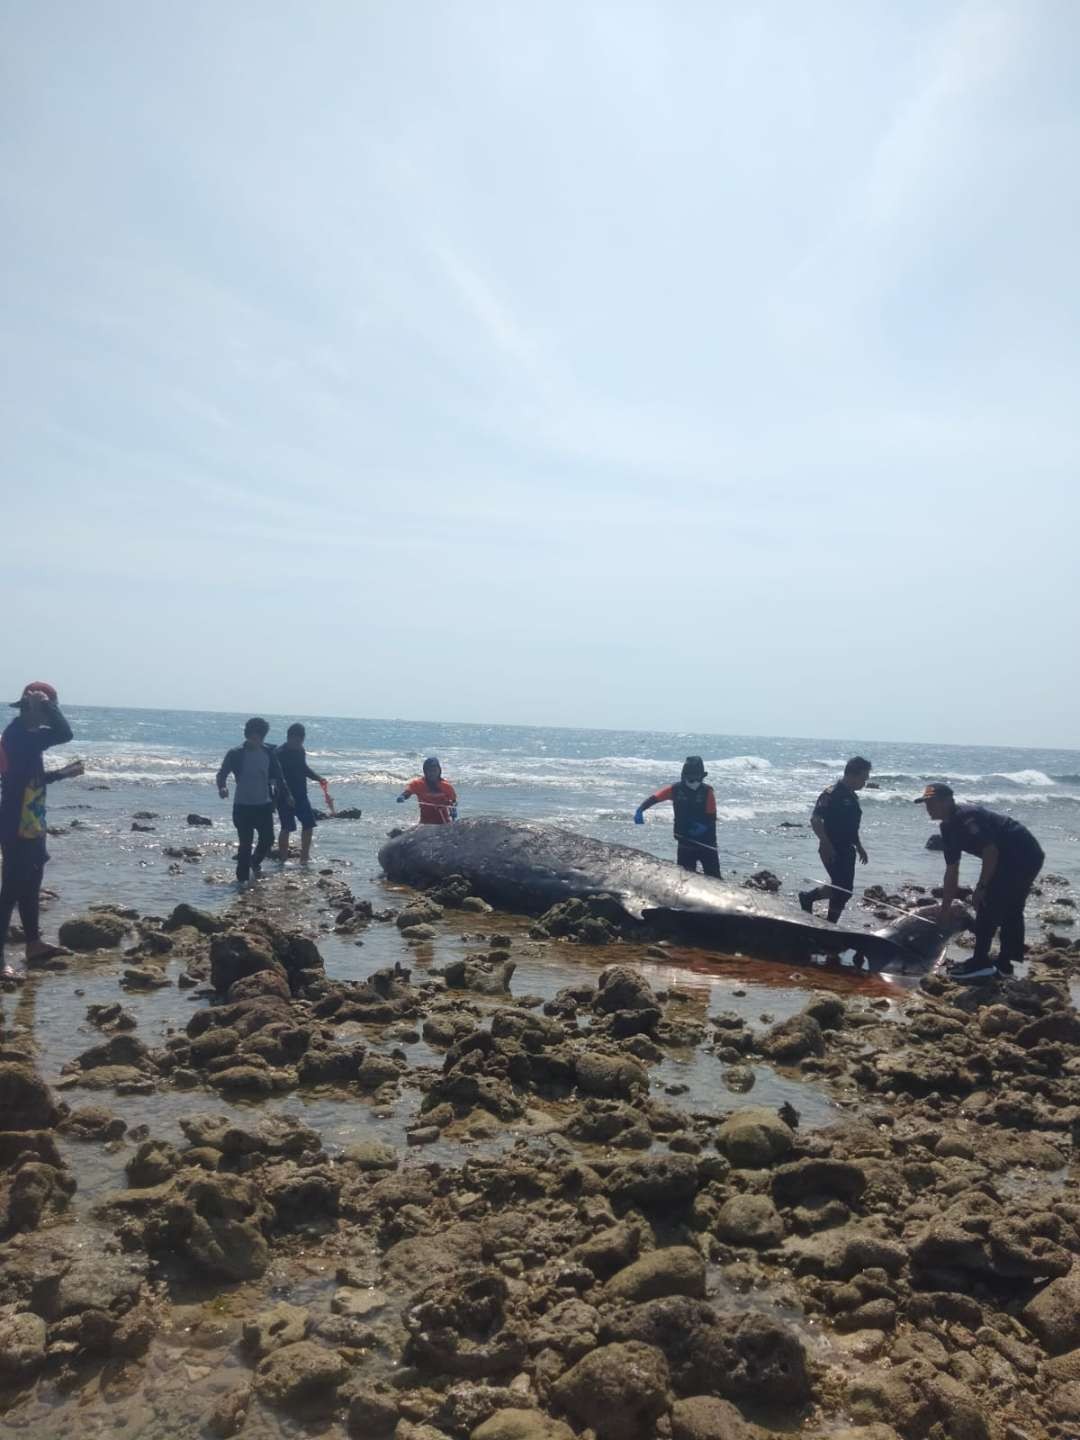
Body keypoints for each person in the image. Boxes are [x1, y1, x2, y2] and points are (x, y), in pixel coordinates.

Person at [916, 782, 1044, 982]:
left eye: (933, 803)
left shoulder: (967, 817)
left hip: (1023, 854)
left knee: (990, 902)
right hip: (1006, 858)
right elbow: (952, 870)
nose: (929, 808)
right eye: (926, 804)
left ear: (948, 801)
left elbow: (990, 851)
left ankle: (982, 963)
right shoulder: (947, 827)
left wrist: (981, 887)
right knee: (1007, 906)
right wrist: (945, 908)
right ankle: (1004, 966)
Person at [0, 683, 75, 979]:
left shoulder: (29, 737)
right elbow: (65, 733)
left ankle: (33, 944)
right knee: (10, 892)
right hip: (15, 821)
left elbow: (29, 778)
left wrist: (60, 774)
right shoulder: (18, 735)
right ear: (31, 708)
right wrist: (46, 706)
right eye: (46, 710)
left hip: (32, 819)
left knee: (31, 883)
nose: (49, 716)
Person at [216, 718, 293, 885]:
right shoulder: (235, 753)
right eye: (253, 736)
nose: (256, 739)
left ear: (263, 737)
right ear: (247, 734)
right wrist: (222, 787)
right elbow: (222, 774)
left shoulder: (268, 753)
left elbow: (279, 777)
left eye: (259, 736)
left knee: (267, 839)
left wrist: (287, 796)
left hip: (263, 805)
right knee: (245, 844)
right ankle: (241, 883)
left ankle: (255, 861)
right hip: (242, 806)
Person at [799, 756, 872, 922]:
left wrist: (859, 846)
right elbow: (815, 819)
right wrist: (825, 843)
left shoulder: (852, 796)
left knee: (844, 890)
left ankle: (824, 915)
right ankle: (816, 907)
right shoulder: (831, 793)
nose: (865, 783)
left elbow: (851, 826)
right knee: (842, 888)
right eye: (863, 778)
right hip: (831, 848)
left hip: (847, 849)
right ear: (852, 775)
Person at [634, 756, 721, 877]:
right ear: (684, 776)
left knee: (714, 875)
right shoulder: (675, 789)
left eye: (697, 778)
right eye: (690, 777)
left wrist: (703, 827)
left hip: (707, 843)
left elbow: (711, 817)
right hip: (685, 841)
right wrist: (640, 809)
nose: (694, 781)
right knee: (685, 876)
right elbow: (655, 798)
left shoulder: (707, 791)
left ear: (702, 776)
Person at [274, 723, 326, 863]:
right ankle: (283, 859)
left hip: (301, 794)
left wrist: (318, 778)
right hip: (284, 797)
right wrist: (286, 795)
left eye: (301, 740)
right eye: (296, 740)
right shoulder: (279, 753)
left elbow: (304, 768)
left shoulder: (300, 751)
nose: (299, 743)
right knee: (287, 828)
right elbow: (277, 778)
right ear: (289, 738)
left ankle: (304, 858)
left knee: (309, 825)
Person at [397, 757, 457, 824]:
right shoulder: (418, 784)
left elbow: (453, 801)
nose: (433, 773)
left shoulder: (447, 786)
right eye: (430, 771)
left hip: (443, 821)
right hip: (425, 822)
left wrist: (453, 811)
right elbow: (408, 792)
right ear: (425, 772)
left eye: (435, 770)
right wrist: (402, 796)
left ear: (439, 771)